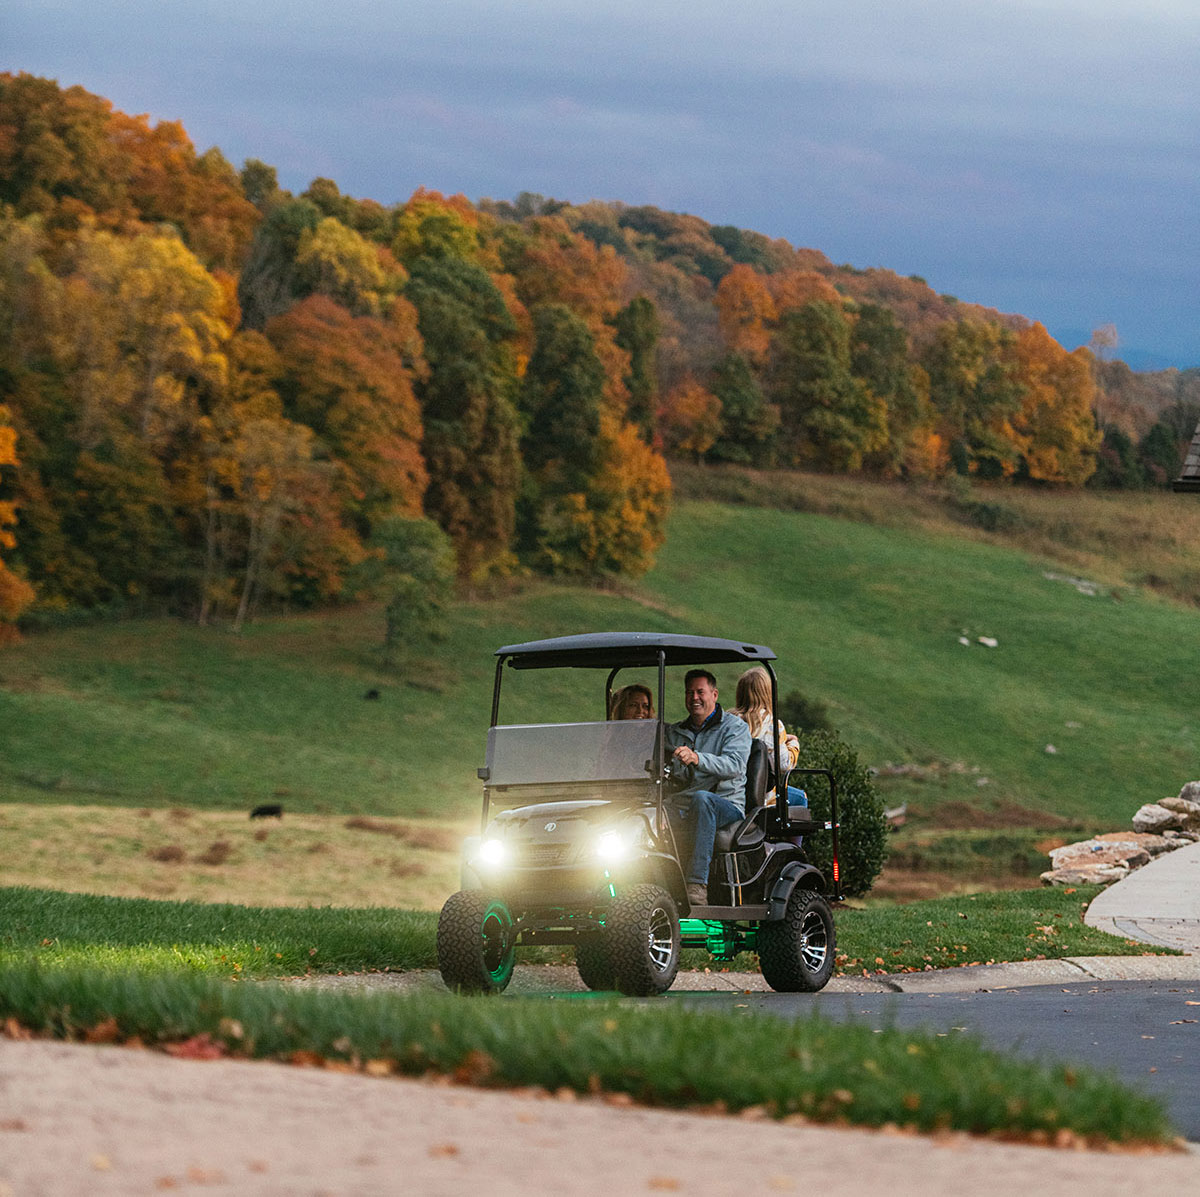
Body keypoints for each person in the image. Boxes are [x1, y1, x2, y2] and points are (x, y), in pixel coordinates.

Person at [664, 669, 751, 906]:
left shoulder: (735, 728)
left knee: (703, 800)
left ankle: (696, 885)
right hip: (687, 801)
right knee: (656, 809)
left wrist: (697, 758)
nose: (694, 698)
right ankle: (660, 883)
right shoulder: (676, 732)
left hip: (726, 804)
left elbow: (734, 765)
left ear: (714, 694)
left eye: (700, 692)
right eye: (689, 692)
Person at [730, 666, 809, 815]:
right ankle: (789, 838)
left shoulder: (730, 721)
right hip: (762, 796)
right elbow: (784, 765)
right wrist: (793, 743)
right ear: (767, 693)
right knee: (800, 797)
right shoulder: (772, 725)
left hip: (733, 790)